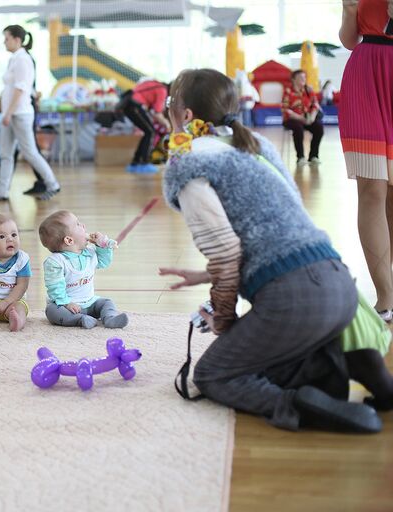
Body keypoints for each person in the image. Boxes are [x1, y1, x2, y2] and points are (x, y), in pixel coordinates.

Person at [159, 68, 391, 433]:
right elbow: (282, 224)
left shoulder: (189, 164)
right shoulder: (254, 144)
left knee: (213, 374)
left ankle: (300, 406)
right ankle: (359, 364)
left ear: (185, 115)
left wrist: (224, 319)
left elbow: (223, 251)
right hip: (340, 285)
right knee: (274, 354)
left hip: (297, 297)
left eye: (169, 103)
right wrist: (208, 276)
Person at [339, 0, 393, 322]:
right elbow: (349, 39)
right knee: (372, 188)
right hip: (365, 75)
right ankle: (385, 297)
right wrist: (348, 11)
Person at [0, 25, 60, 202]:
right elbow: (11, 87)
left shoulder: (23, 60)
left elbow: (21, 89)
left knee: (30, 152)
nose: (4, 42)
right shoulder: (14, 59)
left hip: (20, 114)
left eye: (7, 38)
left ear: (17, 40)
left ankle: (53, 184)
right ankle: (2, 191)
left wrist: (8, 113)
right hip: (10, 114)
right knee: (6, 153)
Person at [38, 210, 128, 329]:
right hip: (66, 307)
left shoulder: (90, 252)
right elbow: (55, 287)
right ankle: (80, 319)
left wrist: (102, 246)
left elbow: (104, 263)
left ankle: (110, 319)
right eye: (78, 224)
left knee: (107, 302)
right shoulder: (56, 262)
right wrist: (66, 303)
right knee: (52, 311)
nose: (83, 226)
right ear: (69, 240)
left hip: (90, 303)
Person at [119, 78, 171, 174]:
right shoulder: (162, 90)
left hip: (128, 103)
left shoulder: (155, 84)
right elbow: (157, 113)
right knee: (150, 132)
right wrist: (167, 124)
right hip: (134, 105)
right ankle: (144, 162)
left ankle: (136, 162)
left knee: (148, 131)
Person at [282, 69, 324, 166]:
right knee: (298, 128)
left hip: (308, 118)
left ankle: (313, 156)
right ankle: (300, 157)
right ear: (293, 79)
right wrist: (302, 119)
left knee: (319, 127)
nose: (303, 79)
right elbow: (286, 110)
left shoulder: (308, 90)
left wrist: (312, 117)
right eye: (300, 77)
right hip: (292, 119)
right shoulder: (288, 91)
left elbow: (315, 105)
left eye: (304, 77)